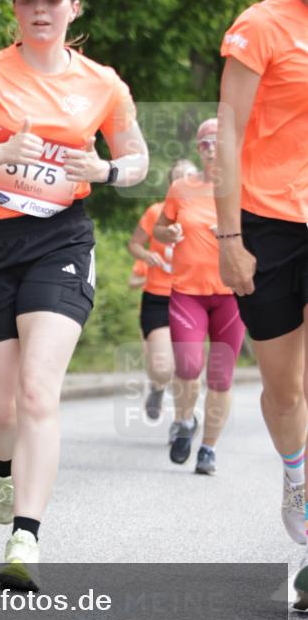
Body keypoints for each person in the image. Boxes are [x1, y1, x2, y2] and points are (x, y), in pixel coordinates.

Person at [0, 0, 148, 588]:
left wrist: (104, 171)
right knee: (0, 406)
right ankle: (3, 464)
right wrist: (1, 150)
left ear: (73, 8)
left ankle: (26, 536)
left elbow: (135, 158)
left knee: (36, 391)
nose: (42, 9)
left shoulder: (103, 84)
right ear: (16, 10)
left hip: (61, 241)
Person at [215, 0, 308, 609]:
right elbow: (228, 138)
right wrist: (227, 238)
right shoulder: (259, 27)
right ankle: (296, 473)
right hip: (269, 224)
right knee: (284, 388)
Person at [153, 119, 245, 475]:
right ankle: (185, 421)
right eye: (204, 143)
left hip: (231, 294)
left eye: (217, 142)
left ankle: (208, 449)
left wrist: (233, 234)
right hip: (188, 291)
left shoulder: (243, 187)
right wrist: (169, 230)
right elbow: (159, 228)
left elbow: (263, 237)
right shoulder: (181, 188)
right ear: (198, 149)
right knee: (189, 365)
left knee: (221, 378)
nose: (210, 149)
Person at [127, 159, 197, 425]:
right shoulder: (155, 212)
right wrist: (146, 256)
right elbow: (134, 245)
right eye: (178, 179)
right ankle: (157, 387)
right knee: (162, 367)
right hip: (158, 297)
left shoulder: (208, 214)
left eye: (189, 178)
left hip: (192, 297)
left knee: (188, 366)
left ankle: (183, 423)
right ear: (171, 185)